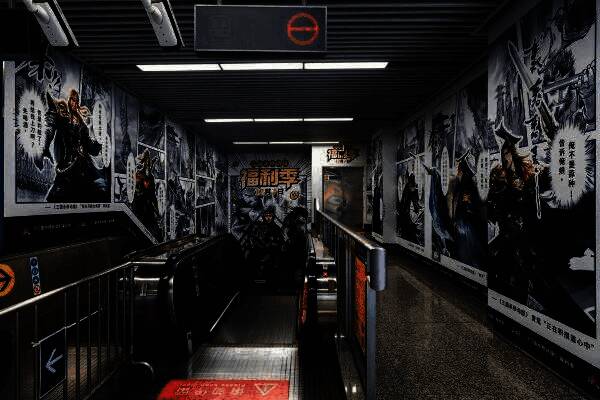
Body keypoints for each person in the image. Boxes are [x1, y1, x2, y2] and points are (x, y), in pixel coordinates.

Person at [39, 89, 107, 202]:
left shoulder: (82, 124)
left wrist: (100, 141)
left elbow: (91, 147)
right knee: (56, 198)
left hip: (84, 167)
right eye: (72, 100)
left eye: (76, 100)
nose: (74, 103)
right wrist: (44, 145)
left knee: (95, 193)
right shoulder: (62, 116)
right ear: (69, 100)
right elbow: (50, 124)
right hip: (67, 167)